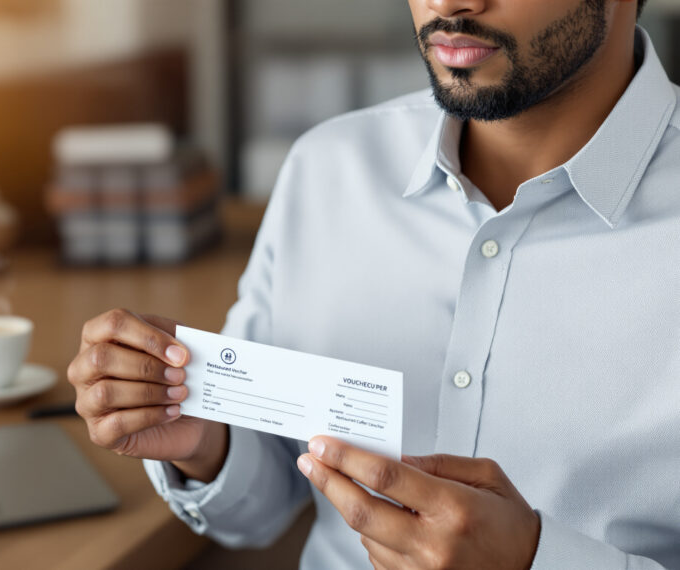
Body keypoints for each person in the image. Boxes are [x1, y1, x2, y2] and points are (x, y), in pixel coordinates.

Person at [68, 0, 680, 567]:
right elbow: (265, 501)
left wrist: (535, 561)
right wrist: (204, 439)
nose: (446, 3)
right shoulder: (327, 169)